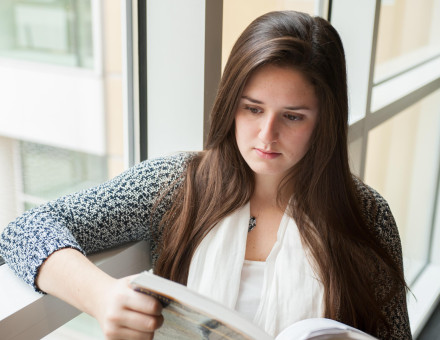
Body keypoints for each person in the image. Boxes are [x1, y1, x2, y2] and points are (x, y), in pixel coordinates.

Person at [0, 10, 411, 340]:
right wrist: (103, 296)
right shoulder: (181, 183)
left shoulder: (367, 214)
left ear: (325, 120)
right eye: (252, 108)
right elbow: (24, 230)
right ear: (230, 103)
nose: (266, 135)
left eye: (292, 116)